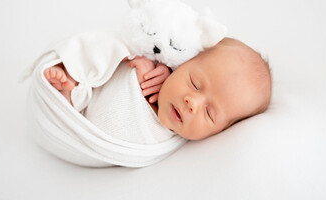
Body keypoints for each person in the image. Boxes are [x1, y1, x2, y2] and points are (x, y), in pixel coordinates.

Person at [43, 37, 271, 141]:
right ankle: (71, 80)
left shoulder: (168, 141)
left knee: (73, 105)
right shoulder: (160, 72)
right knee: (98, 63)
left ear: (221, 131)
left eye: (209, 113)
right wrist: (146, 64)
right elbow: (130, 51)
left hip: (82, 134)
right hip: (90, 96)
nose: (192, 103)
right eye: (194, 83)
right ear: (183, 63)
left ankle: (68, 97)